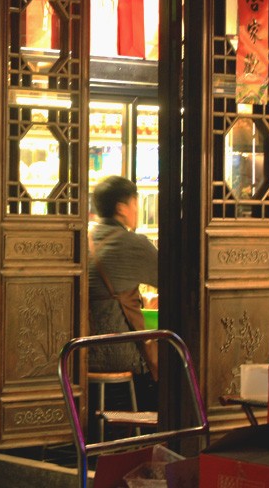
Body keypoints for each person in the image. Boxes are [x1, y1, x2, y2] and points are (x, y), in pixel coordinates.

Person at [88, 175, 159, 413]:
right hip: (119, 353)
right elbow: (175, 280)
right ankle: (151, 429)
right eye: (135, 203)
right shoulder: (132, 243)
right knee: (175, 356)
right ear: (121, 208)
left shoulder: (84, 239)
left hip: (78, 351)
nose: (137, 210)